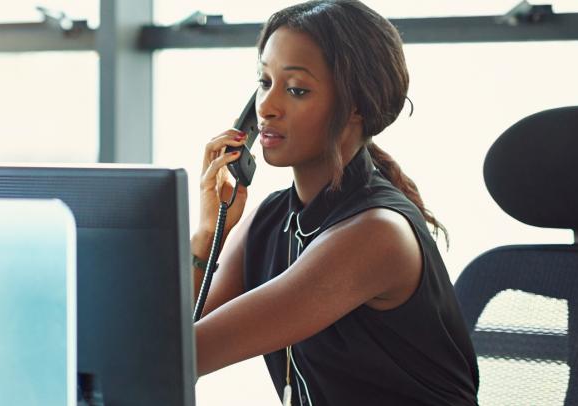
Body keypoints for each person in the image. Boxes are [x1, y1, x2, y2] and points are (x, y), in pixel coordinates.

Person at [190, 1, 479, 404]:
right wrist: (209, 231)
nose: (266, 108)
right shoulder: (269, 221)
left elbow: (185, 353)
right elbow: (171, 339)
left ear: (355, 106)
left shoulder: (376, 235)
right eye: (264, 81)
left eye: (296, 90)